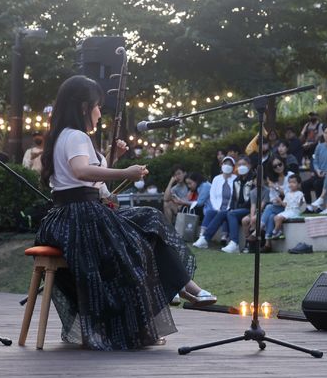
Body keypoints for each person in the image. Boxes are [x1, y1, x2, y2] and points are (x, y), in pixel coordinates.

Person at [35, 75, 214, 350]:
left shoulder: (64, 136)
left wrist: (113, 160)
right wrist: (125, 172)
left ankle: (184, 285)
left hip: (69, 215)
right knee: (137, 239)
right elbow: (82, 171)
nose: (99, 114)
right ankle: (181, 287)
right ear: (84, 107)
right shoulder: (77, 136)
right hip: (81, 216)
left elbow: (84, 181)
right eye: (97, 107)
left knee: (147, 222)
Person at [194, 157, 253, 253]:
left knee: (230, 213)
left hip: (248, 208)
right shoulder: (237, 180)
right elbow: (234, 198)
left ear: (249, 166)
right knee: (223, 213)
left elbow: (253, 198)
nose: (241, 167)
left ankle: (234, 243)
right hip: (237, 209)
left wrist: (233, 209)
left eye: (244, 164)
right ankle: (205, 238)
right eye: (240, 165)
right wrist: (232, 208)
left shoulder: (253, 179)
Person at [193, 156, 236, 248]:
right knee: (210, 212)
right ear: (221, 165)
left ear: (233, 166)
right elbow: (212, 195)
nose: (227, 166)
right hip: (218, 206)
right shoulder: (216, 179)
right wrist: (217, 208)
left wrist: (227, 208)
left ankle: (217, 237)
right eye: (225, 164)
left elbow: (235, 197)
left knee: (224, 213)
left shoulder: (235, 179)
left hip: (230, 207)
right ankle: (202, 235)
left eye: (230, 164)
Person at [301, 124, 327, 204]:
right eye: (325, 133)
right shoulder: (319, 146)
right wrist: (317, 170)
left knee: (317, 183)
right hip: (319, 173)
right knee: (304, 184)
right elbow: (315, 161)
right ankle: (309, 206)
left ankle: (319, 206)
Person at [266, 174, 305, 241]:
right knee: (275, 217)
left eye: (294, 182)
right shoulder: (287, 194)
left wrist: (301, 201)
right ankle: (280, 232)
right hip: (287, 211)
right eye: (290, 182)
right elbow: (285, 205)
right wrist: (280, 201)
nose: (291, 184)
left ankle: (274, 232)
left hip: (294, 211)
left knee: (279, 218)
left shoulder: (299, 193)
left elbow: (300, 204)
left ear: (298, 184)